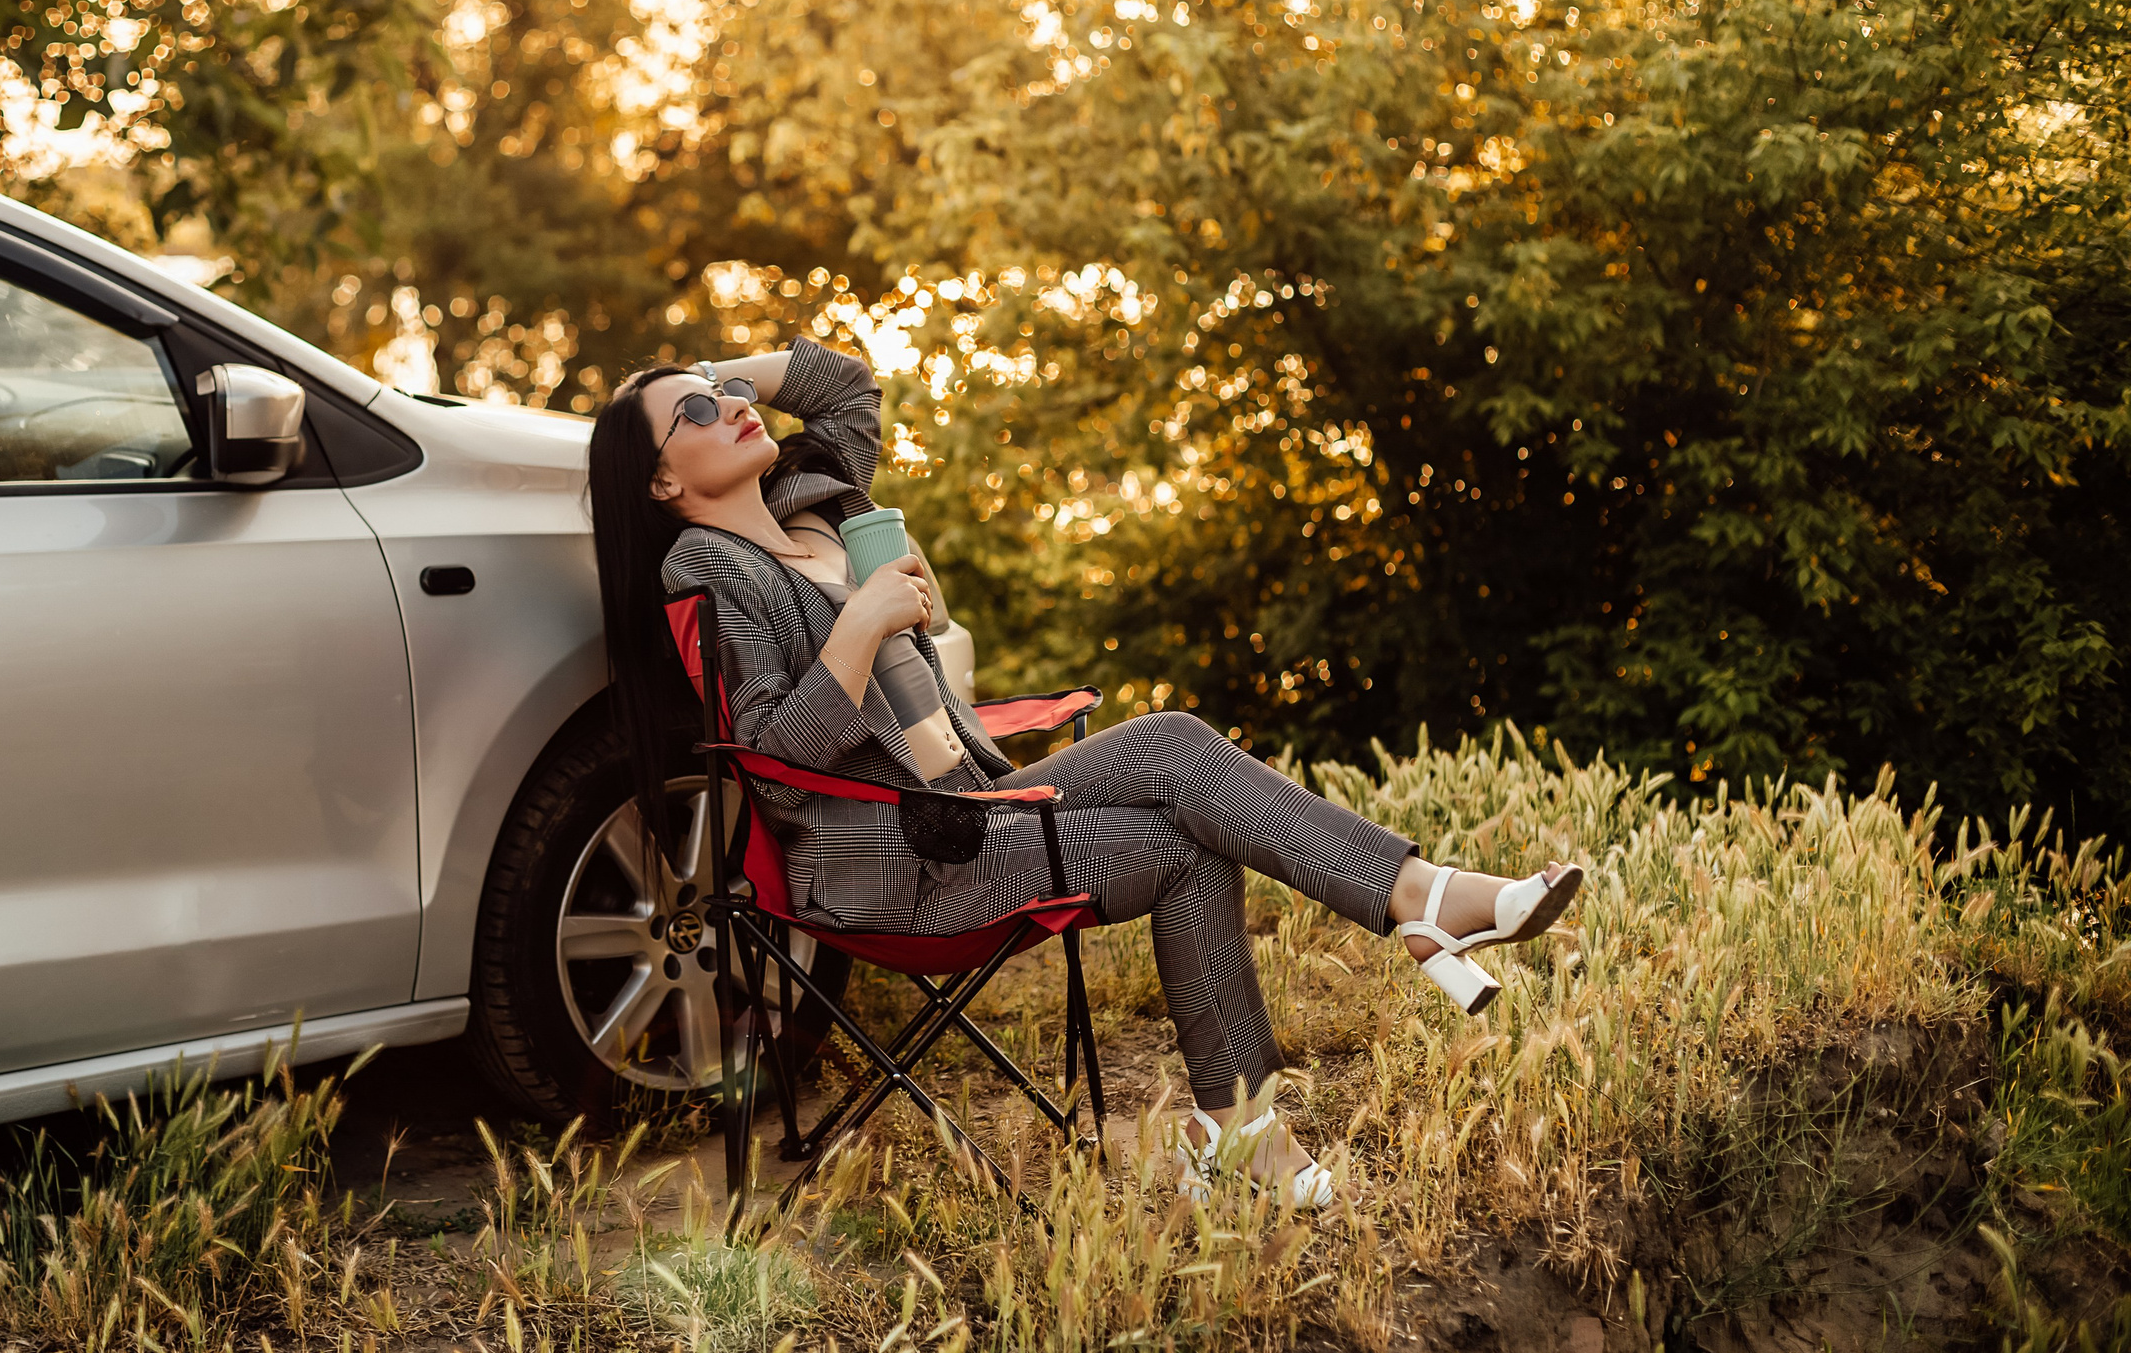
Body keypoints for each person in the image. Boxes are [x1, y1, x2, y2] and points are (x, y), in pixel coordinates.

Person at [588, 336, 1583, 1203]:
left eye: (729, 396)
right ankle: (1255, 1117)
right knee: (1186, 848)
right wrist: (861, 622)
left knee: (1175, 740)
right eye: (696, 414)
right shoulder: (704, 568)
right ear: (662, 484)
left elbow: (844, 384)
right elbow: (773, 752)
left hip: (975, 801)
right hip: (902, 858)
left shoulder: (815, 495)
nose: (734, 409)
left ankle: (1417, 900)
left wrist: (712, 374)